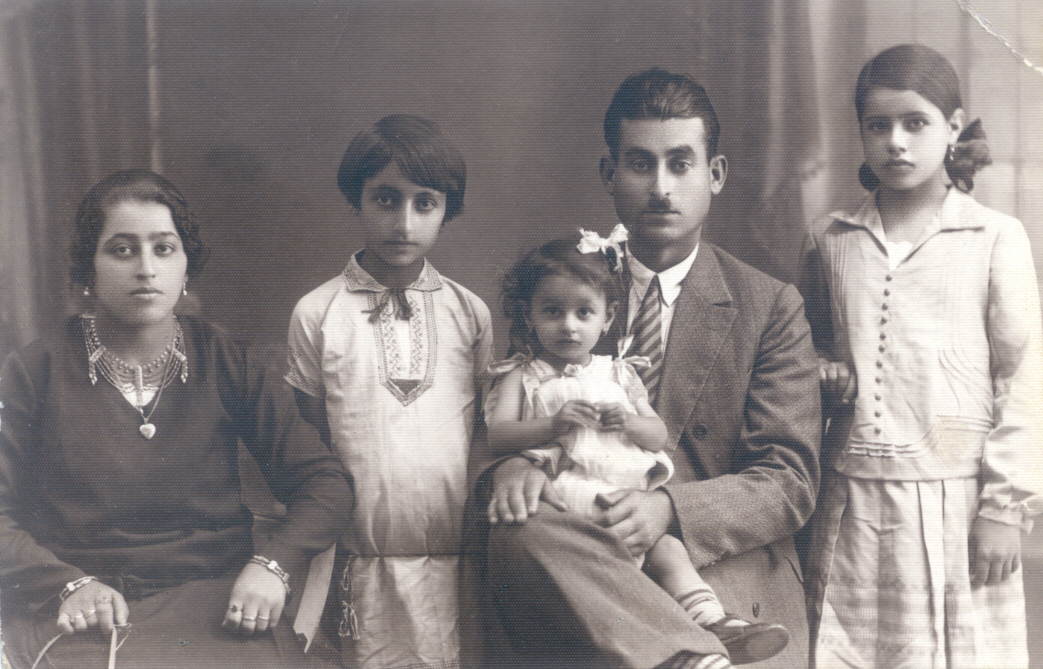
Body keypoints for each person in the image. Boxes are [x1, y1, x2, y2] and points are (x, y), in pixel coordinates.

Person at [473, 68, 820, 669]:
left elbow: (789, 479)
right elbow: (514, 407)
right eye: (640, 164)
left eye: (681, 164)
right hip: (578, 571)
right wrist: (507, 468)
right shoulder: (559, 294)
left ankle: (695, 644)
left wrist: (670, 510)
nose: (661, 187)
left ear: (715, 175)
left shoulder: (769, 305)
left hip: (718, 581)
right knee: (518, 529)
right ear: (609, 173)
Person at [0, 169, 355, 669]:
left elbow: (324, 481)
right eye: (122, 250)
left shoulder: (227, 361)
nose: (146, 268)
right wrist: (65, 584)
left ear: (186, 266)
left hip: (216, 605)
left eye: (164, 249)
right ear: (88, 269)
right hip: (85, 610)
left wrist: (272, 565)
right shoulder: (35, 371)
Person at [800, 44, 1043, 668]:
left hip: (955, 502)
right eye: (877, 126)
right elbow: (812, 350)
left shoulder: (993, 237)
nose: (896, 143)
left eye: (915, 123)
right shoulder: (832, 239)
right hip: (852, 500)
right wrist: (827, 372)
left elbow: (1027, 377)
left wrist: (1004, 508)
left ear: (953, 128)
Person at [484, 230, 791, 665]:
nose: (569, 325)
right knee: (573, 553)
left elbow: (657, 435)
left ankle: (712, 622)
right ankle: (692, 653)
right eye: (552, 312)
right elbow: (498, 436)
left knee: (668, 551)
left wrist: (628, 421)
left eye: (583, 313)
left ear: (607, 319)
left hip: (635, 496)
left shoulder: (620, 374)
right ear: (529, 316)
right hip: (574, 503)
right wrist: (550, 426)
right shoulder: (524, 375)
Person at [285, 114, 493, 669]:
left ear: (448, 209)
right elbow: (310, 447)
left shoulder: (468, 312)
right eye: (385, 199)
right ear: (357, 199)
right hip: (360, 555)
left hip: (455, 554)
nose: (404, 222)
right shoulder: (318, 312)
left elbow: (486, 435)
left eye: (425, 203)